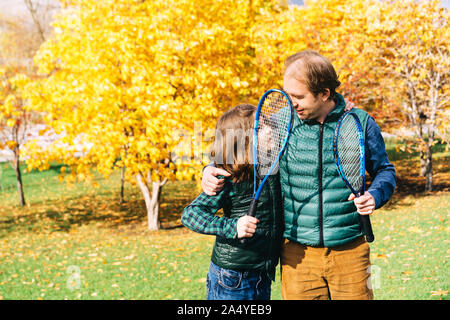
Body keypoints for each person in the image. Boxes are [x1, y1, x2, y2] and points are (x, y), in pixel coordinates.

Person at [201, 50, 396, 300]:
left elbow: (384, 170)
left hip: (350, 250)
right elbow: (235, 151)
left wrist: (376, 194)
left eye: (298, 96)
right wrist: (208, 170)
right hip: (296, 254)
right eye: (287, 93)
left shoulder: (359, 122)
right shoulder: (280, 123)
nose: (290, 102)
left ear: (324, 93)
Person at [181, 104, 283, 300]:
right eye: (259, 128)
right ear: (241, 139)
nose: (270, 130)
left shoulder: (271, 168)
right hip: (233, 278)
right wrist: (233, 226)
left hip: (261, 274)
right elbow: (191, 214)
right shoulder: (229, 176)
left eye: (269, 124)